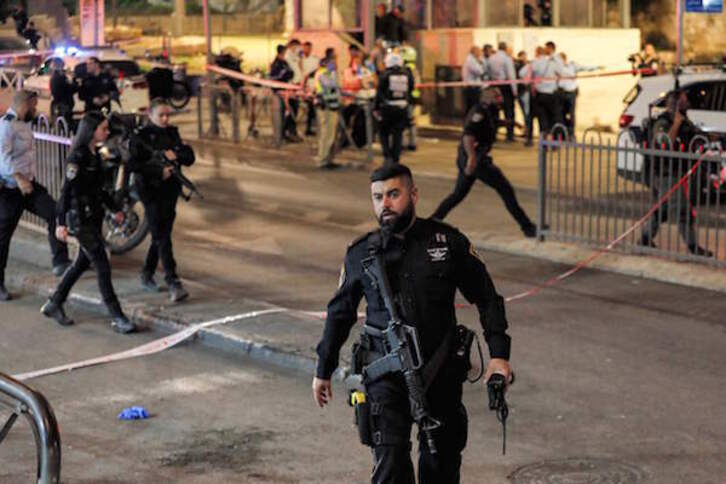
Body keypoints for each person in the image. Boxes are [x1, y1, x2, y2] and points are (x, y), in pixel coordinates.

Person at [313, 163, 512, 484]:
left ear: (414, 195)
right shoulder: (361, 253)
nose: (385, 204)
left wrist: (499, 355)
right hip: (384, 375)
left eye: (394, 194)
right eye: (378, 197)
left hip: (440, 371)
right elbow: (340, 313)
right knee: (390, 465)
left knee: (441, 465)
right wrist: (323, 368)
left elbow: (487, 297)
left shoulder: (447, 243)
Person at [41, 111, 136, 333]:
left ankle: (55, 302)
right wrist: (61, 222)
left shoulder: (95, 155)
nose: (107, 132)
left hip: (93, 217)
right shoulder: (78, 157)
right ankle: (117, 316)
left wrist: (114, 210)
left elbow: (99, 190)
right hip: (80, 219)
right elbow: (66, 191)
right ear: (91, 131)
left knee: (81, 263)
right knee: (102, 266)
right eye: (103, 128)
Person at [433, 88, 539, 237]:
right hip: (477, 160)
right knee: (505, 190)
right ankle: (527, 227)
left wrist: (513, 123)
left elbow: (494, 122)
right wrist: (472, 158)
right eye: (497, 96)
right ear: (488, 98)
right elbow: (468, 136)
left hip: (471, 158)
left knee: (457, 195)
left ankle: (431, 223)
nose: (500, 98)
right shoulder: (480, 112)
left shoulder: (490, 110)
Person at [0, 90, 71, 301]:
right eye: (34, 105)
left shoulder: (23, 123)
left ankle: (60, 261)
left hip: (29, 187)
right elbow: (2, 158)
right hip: (10, 189)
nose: (36, 109)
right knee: (3, 238)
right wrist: (18, 178)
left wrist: (25, 180)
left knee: (55, 212)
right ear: (25, 104)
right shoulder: (6, 125)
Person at [129, 98, 195, 301]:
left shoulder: (172, 133)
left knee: (161, 233)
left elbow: (189, 157)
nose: (165, 119)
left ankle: (147, 272)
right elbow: (133, 164)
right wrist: (158, 172)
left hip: (170, 190)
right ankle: (173, 280)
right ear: (150, 115)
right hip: (150, 191)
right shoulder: (141, 136)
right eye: (161, 115)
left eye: (168, 115)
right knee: (162, 235)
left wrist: (177, 155)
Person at [639, 90, 712, 257]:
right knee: (683, 210)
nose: (688, 104)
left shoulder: (684, 121)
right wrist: (677, 124)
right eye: (684, 101)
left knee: (662, 209)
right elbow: (665, 143)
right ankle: (693, 247)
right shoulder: (663, 122)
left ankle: (645, 239)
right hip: (664, 174)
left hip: (676, 172)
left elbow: (696, 135)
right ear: (676, 104)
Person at [375, 53, 414, 164]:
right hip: (402, 108)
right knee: (398, 134)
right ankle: (395, 158)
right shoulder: (407, 74)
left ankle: (387, 156)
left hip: (388, 108)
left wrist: (376, 107)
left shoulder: (385, 75)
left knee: (383, 132)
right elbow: (410, 89)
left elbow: (380, 92)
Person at [314, 52, 343, 170]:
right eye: (333, 62)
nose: (335, 64)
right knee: (327, 134)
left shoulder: (328, 73)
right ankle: (323, 159)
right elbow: (331, 85)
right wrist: (334, 73)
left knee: (331, 134)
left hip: (332, 106)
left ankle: (329, 159)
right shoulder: (323, 73)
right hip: (326, 107)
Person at [530, 42, 563, 138]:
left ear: (550, 48)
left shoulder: (538, 62)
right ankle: (554, 140)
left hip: (541, 93)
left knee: (543, 119)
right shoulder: (554, 62)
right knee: (553, 117)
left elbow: (525, 73)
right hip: (551, 93)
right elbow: (561, 73)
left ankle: (544, 141)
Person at [489, 42, 518, 142]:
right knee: (509, 111)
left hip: (494, 85)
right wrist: (514, 90)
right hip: (505, 86)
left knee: (494, 111)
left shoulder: (491, 58)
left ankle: (493, 134)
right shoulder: (507, 59)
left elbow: (489, 73)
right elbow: (511, 75)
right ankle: (509, 135)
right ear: (505, 48)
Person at [269, 44, 298, 143]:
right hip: (278, 93)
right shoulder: (276, 64)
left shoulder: (285, 63)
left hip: (286, 91)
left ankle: (286, 133)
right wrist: (285, 74)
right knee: (279, 115)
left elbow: (291, 73)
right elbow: (274, 77)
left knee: (288, 113)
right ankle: (279, 137)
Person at [284, 39, 304, 141]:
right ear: (292, 46)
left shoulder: (295, 56)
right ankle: (288, 132)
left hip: (296, 86)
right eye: (297, 47)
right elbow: (292, 71)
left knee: (295, 110)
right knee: (291, 110)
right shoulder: (287, 56)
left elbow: (300, 68)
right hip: (290, 87)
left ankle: (292, 131)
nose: (299, 49)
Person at [49, 57, 76, 130]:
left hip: (59, 103)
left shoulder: (55, 76)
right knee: (64, 125)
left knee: (59, 123)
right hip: (63, 103)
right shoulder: (60, 76)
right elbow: (69, 89)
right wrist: (75, 83)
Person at [301, 41, 320, 136]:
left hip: (312, 85)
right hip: (304, 85)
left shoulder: (315, 59)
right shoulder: (301, 59)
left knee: (313, 107)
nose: (306, 50)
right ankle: (308, 128)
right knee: (309, 108)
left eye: (308, 48)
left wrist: (308, 75)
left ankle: (312, 127)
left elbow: (317, 70)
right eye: (305, 48)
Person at [557, 52, 578, 138]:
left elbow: (583, 68)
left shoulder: (572, 66)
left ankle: (571, 133)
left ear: (564, 59)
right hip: (562, 92)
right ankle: (564, 133)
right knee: (562, 114)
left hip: (571, 93)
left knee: (571, 114)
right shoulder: (558, 68)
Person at [515, 50, 533, 146]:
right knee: (526, 114)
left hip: (525, 92)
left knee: (527, 114)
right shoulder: (520, 66)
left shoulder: (526, 66)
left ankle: (527, 134)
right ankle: (527, 133)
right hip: (524, 92)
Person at [462, 46, 485, 115]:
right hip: (472, 87)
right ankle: (470, 120)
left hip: (472, 86)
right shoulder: (471, 61)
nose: (480, 54)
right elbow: (480, 71)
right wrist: (480, 63)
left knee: (471, 106)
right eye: (479, 52)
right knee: (473, 107)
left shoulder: (471, 60)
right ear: (475, 52)